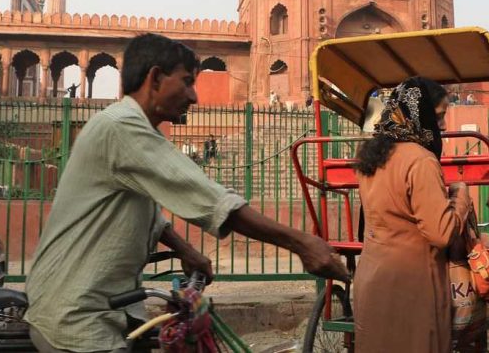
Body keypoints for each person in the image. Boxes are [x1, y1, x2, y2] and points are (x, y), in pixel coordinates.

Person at [25, 33, 348, 352]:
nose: (194, 96)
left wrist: (185, 250)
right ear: (155, 78)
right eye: (187, 81)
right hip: (77, 318)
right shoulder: (121, 127)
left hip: (105, 308)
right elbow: (209, 198)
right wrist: (301, 242)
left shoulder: (130, 129)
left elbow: (148, 213)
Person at [353, 76, 472, 353]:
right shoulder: (420, 160)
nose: (442, 125)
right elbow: (441, 233)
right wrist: (461, 196)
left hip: (373, 278)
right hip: (412, 285)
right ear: (421, 113)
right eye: (439, 115)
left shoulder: (373, 156)